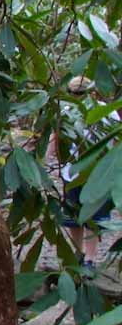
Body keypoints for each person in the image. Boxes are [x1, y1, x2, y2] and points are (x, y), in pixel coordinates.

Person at [45, 76, 118, 270]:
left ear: (91, 93)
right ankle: (79, 254)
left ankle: (91, 259)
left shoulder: (106, 112)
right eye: (73, 93)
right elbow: (55, 138)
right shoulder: (65, 111)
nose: (76, 97)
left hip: (98, 174)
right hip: (72, 174)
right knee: (73, 218)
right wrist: (43, 162)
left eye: (80, 93)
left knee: (93, 219)